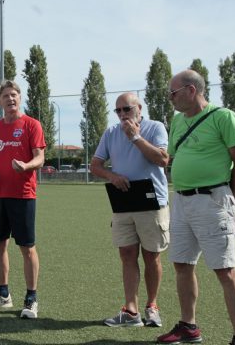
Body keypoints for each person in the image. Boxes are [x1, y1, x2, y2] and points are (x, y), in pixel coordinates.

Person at [157, 70, 235, 345]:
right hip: (182, 200)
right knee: (182, 264)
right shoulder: (176, 121)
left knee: (225, 269)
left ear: (191, 90)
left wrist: (231, 195)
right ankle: (189, 326)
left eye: (174, 92)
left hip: (213, 199)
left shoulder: (223, 117)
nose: (170, 98)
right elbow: (171, 157)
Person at [90, 92, 169, 328]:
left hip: (151, 200)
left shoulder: (155, 128)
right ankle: (131, 311)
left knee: (151, 256)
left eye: (127, 109)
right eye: (118, 111)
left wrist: (135, 137)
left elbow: (163, 159)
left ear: (139, 108)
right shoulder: (111, 133)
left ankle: (152, 307)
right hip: (123, 201)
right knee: (126, 254)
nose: (123, 114)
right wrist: (112, 176)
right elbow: (95, 165)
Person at [0, 80, 46, 319]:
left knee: (26, 247)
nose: (10, 99)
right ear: (0, 101)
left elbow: (40, 158)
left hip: (23, 195)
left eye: (14, 95)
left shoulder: (31, 125)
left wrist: (25, 165)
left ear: (20, 97)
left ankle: (31, 298)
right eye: (5, 96)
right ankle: (3, 294)